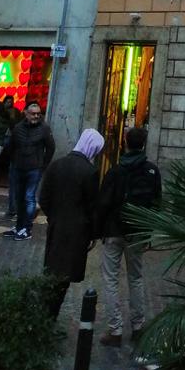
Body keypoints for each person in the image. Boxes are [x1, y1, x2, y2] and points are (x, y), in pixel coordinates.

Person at [97, 126, 162, 347]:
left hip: (114, 231)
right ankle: (138, 327)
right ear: (143, 144)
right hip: (137, 232)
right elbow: (156, 204)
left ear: (125, 142)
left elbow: (103, 203)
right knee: (135, 278)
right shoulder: (152, 171)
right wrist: (148, 232)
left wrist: (98, 230)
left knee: (110, 279)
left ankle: (115, 329)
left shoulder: (116, 171)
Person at [38, 129, 104, 317]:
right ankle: (48, 317)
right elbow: (92, 206)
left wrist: (54, 216)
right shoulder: (89, 172)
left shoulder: (56, 165)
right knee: (63, 277)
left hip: (57, 227)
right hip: (77, 231)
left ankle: (47, 316)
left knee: (53, 272)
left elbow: (43, 198)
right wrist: (93, 234)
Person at [4, 100, 55, 240]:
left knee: (29, 197)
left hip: (34, 169)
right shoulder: (18, 128)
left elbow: (51, 148)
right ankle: (19, 226)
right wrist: (14, 161)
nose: (36, 116)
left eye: (38, 114)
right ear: (26, 113)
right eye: (33, 114)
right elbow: (11, 146)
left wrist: (43, 165)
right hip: (18, 168)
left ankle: (27, 229)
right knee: (19, 197)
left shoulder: (44, 129)